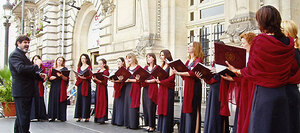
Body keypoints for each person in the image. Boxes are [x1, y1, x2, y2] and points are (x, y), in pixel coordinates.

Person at [226, 6, 300, 133]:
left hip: (265, 94)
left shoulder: (260, 41)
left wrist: (236, 71)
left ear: (261, 22)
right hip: (283, 94)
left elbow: (252, 71)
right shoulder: (288, 43)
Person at [218, 32, 256, 133]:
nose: (242, 45)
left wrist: (236, 72)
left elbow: (250, 74)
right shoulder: (247, 55)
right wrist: (233, 78)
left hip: (251, 90)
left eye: (243, 43)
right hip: (245, 88)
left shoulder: (253, 56)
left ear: (251, 43)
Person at [9, 35, 46, 133]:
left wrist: (39, 76)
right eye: (25, 42)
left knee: (21, 118)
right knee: (24, 118)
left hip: (26, 91)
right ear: (18, 43)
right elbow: (20, 69)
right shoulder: (15, 55)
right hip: (22, 91)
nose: (27, 45)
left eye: (28, 43)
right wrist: (36, 66)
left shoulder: (22, 55)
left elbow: (28, 72)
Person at [172, 42, 203, 133]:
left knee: (193, 107)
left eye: (190, 46)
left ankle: (194, 130)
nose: (188, 47)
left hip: (195, 87)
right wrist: (178, 70)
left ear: (195, 48)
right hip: (187, 86)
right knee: (186, 107)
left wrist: (179, 73)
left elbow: (192, 73)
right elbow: (185, 72)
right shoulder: (188, 61)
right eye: (188, 46)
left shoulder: (198, 60)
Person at [281, 20, 300, 133]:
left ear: (287, 33)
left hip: (287, 92)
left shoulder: (291, 52)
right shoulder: (296, 51)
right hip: (292, 91)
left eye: (281, 30)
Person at [155, 50, 176, 133]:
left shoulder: (171, 66)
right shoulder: (162, 65)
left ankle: (166, 129)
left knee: (167, 108)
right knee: (161, 107)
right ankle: (160, 127)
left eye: (163, 55)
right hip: (161, 88)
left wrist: (161, 82)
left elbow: (171, 78)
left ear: (167, 56)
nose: (161, 57)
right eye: (160, 55)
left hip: (167, 89)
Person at [48, 57, 69, 122]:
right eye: (58, 60)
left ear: (63, 62)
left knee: (61, 100)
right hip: (54, 86)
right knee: (53, 100)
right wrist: (51, 78)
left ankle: (61, 117)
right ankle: (52, 116)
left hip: (61, 86)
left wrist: (61, 76)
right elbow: (49, 78)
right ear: (56, 61)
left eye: (61, 60)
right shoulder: (53, 69)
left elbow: (67, 79)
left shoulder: (65, 69)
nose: (59, 61)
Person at [124, 53, 142, 129]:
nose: (128, 60)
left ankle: (134, 124)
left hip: (135, 88)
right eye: (127, 58)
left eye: (130, 58)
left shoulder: (138, 68)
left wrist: (130, 80)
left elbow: (140, 79)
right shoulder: (127, 68)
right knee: (128, 104)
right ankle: (128, 123)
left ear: (134, 58)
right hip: (128, 87)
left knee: (133, 105)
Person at [141, 53, 158, 132]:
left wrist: (149, 81)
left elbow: (158, 78)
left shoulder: (157, 67)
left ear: (153, 58)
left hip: (153, 88)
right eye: (147, 57)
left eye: (149, 57)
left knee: (151, 107)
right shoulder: (145, 68)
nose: (148, 58)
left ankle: (152, 125)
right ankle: (148, 124)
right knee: (146, 107)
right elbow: (142, 77)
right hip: (146, 89)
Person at [74, 54, 93, 122]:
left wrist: (84, 77)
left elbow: (90, 76)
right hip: (80, 84)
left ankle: (86, 116)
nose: (83, 60)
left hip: (86, 84)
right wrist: (77, 76)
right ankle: (79, 116)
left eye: (84, 58)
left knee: (86, 100)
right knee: (79, 99)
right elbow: (78, 76)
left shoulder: (89, 67)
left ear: (87, 59)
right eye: (82, 58)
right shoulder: (79, 67)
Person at [30, 55, 48, 121]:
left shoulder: (42, 68)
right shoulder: (31, 67)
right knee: (33, 99)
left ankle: (40, 115)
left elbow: (45, 77)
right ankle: (32, 115)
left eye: (37, 59)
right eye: (35, 59)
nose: (36, 60)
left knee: (40, 98)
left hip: (40, 84)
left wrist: (44, 76)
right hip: (32, 84)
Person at [111, 57, 127, 126]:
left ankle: (120, 121)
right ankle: (115, 120)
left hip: (123, 88)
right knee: (117, 104)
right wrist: (113, 80)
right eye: (117, 61)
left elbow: (124, 79)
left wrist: (117, 80)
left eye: (119, 61)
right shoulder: (116, 70)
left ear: (123, 62)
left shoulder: (125, 70)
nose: (118, 63)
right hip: (117, 88)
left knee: (121, 104)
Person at [93, 58, 109, 124]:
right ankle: (97, 117)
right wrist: (94, 79)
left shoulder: (106, 71)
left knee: (102, 102)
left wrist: (96, 79)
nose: (99, 65)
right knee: (98, 102)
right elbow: (96, 81)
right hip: (98, 88)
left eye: (101, 64)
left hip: (102, 88)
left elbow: (104, 82)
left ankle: (102, 118)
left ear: (104, 64)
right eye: (98, 63)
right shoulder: (99, 70)